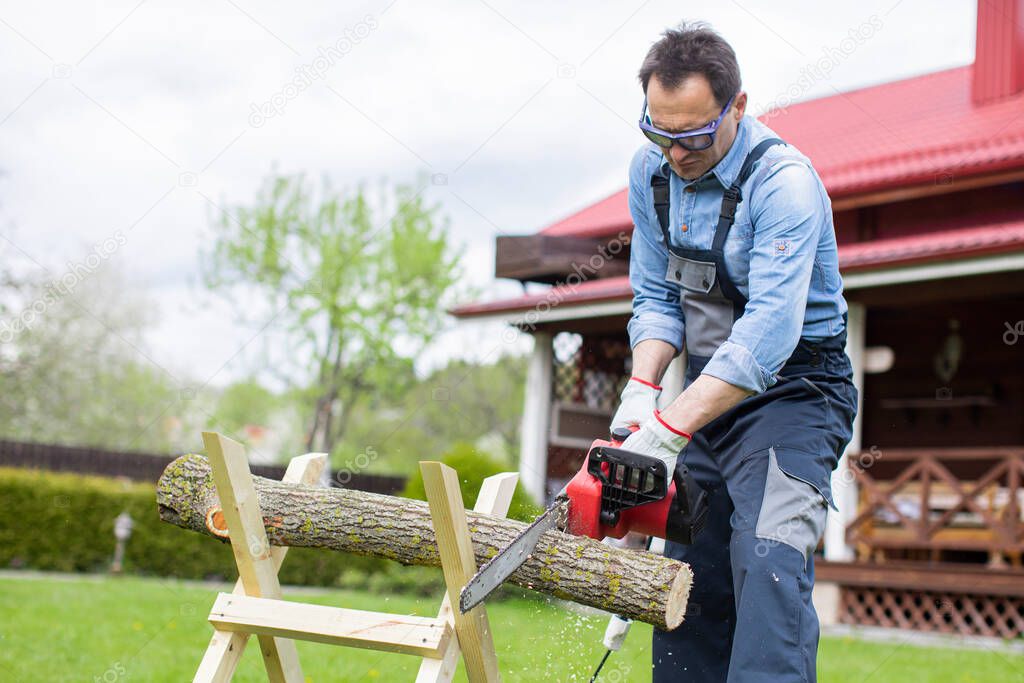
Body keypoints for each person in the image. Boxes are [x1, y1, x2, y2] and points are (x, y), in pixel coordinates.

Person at [610, 22, 858, 682]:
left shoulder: (783, 183)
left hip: (798, 393)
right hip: (704, 397)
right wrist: (642, 390)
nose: (675, 151)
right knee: (693, 575)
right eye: (658, 131)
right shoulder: (652, 175)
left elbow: (767, 339)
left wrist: (667, 426)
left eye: (691, 135)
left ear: (737, 107)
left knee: (768, 557)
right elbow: (659, 299)